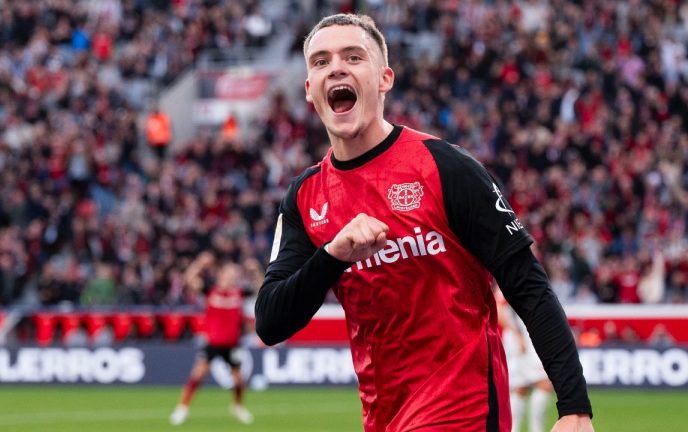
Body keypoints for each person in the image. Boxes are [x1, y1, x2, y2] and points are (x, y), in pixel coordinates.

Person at [254, 13, 593, 432]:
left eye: (353, 57)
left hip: (462, 408)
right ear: (309, 90)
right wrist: (333, 256)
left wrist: (574, 406)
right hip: (384, 415)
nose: (336, 67)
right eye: (321, 62)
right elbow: (270, 321)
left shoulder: (446, 167)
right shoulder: (305, 197)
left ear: (384, 79)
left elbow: (527, 283)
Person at [169, 262, 253, 425]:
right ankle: (182, 408)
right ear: (222, 275)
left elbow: (261, 286)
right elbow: (188, 279)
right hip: (213, 343)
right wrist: (200, 263)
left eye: (234, 275)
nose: (232, 277)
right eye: (229, 274)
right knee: (198, 375)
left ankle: (237, 407)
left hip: (232, 344)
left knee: (239, 380)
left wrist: (255, 269)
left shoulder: (239, 293)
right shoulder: (210, 290)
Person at [496, 287, 553, 432]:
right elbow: (499, 307)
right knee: (542, 383)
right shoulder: (508, 276)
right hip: (520, 338)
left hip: (526, 336)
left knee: (522, 387)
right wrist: (516, 334)